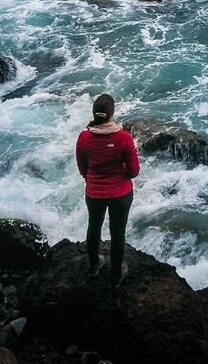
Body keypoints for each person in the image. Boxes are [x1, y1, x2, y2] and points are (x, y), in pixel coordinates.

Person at [75, 93, 140, 286]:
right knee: (117, 233)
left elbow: (82, 166)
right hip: (120, 194)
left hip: (94, 193)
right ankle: (116, 274)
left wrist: (91, 178)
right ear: (112, 113)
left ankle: (94, 266)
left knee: (94, 226)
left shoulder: (84, 137)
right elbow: (134, 171)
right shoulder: (123, 138)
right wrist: (122, 176)